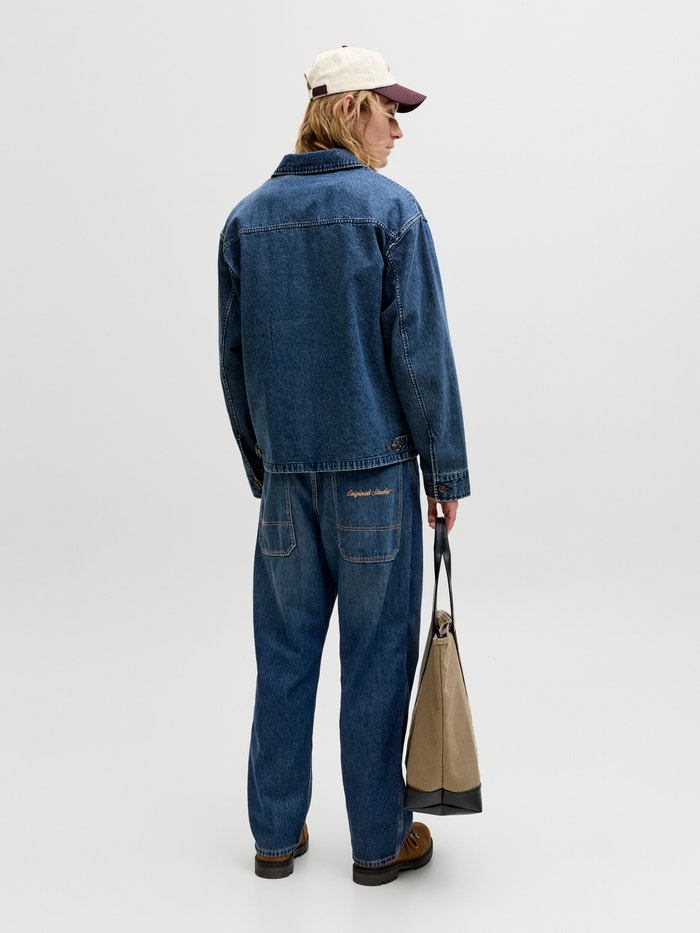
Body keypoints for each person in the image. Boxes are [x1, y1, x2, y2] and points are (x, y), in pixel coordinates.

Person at [218, 45, 470, 886]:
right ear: (350, 108)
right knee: (375, 660)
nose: (398, 129)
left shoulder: (246, 220)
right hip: (376, 480)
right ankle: (377, 842)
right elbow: (421, 358)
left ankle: (274, 836)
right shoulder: (390, 211)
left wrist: (267, 468)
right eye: (388, 111)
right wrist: (445, 473)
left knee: (284, 657)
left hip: (288, 484)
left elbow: (234, 362)